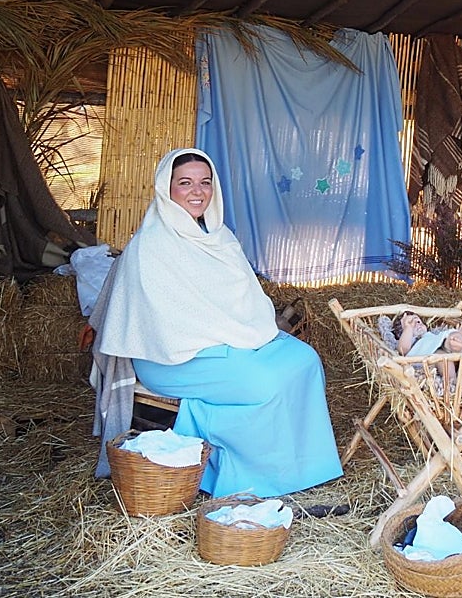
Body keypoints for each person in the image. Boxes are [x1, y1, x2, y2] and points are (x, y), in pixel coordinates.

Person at [93, 148, 343, 498]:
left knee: (305, 361)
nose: (197, 191)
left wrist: (242, 335)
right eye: (185, 183)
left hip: (226, 343)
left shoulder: (220, 238)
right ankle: (243, 475)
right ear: (167, 188)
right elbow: (167, 324)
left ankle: (300, 468)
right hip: (174, 358)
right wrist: (232, 338)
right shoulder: (150, 246)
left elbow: (247, 304)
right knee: (265, 381)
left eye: (205, 183)